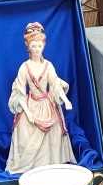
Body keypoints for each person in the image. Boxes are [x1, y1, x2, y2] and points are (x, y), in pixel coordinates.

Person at [6, 21, 76, 175]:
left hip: (47, 103)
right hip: (30, 104)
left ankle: (52, 160)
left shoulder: (49, 65)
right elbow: (19, 91)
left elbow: (55, 84)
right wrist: (28, 112)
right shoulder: (24, 67)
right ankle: (30, 164)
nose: (36, 49)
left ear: (43, 45)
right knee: (24, 129)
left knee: (55, 130)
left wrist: (66, 100)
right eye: (33, 46)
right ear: (28, 47)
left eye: (39, 45)